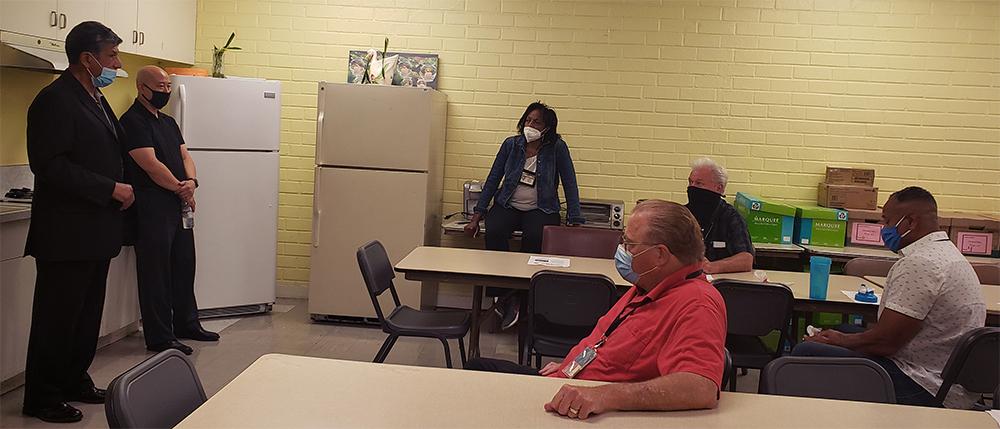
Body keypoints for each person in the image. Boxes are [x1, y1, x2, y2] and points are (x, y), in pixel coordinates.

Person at [466, 200, 727, 420]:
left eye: (630, 244)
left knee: (477, 381)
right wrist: (570, 366)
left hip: (584, 404)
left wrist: (605, 395)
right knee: (478, 369)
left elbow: (700, 387)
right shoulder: (650, 284)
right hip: (572, 383)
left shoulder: (698, 303)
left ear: (660, 255)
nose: (623, 251)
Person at [21, 21, 133, 423]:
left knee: (85, 317)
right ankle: (43, 397)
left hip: (96, 231)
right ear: (87, 59)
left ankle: (73, 379)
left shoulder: (96, 98)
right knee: (57, 319)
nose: (117, 64)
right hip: (66, 234)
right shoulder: (55, 100)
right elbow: (49, 166)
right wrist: (110, 188)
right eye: (111, 56)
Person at [793, 187, 986, 408]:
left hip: (926, 385)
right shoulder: (950, 254)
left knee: (807, 353)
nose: (884, 229)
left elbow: (885, 343)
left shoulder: (921, 263)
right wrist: (841, 337)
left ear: (910, 222)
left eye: (887, 221)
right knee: (844, 330)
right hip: (949, 378)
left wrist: (839, 340)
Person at [120, 66, 219, 356]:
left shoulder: (168, 122)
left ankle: (187, 323)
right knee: (156, 273)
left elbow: (184, 155)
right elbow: (150, 165)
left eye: (167, 86)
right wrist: (180, 188)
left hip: (177, 204)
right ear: (142, 88)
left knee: (184, 264)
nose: (165, 91)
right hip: (151, 206)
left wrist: (192, 182)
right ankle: (160, 336)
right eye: (159, 87)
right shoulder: (132, 121)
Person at [464, 102, 585, 330]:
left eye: (536, 122)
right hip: (508, 204)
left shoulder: (557, 148)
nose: (530, 125)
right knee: (495, 230)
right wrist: (476, 217)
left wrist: (574, 219)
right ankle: (503, 296)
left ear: (547, 127)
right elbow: (493, 178)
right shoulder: (511, 145)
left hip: (542, 208)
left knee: (535, 237)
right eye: (528, 120)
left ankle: (522, 296)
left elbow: (570, 182)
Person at [685, 158, 754, 274]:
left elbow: (746, 260)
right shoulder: (682, 215)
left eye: (699, 183)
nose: (692, 187)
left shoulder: (731, 217)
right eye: (690, 182)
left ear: (719, 188)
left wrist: (711, 266)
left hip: (717, 279)